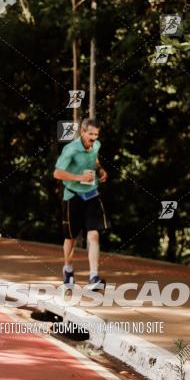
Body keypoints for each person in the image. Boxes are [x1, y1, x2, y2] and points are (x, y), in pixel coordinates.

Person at [54, 117, 108, 291]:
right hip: (73, 196)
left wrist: (100, 170)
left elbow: (95, 160)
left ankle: (93, 276)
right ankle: (68, 269)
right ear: (82, 132)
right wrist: (79, 178)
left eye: (96, 134)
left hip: (91, 195)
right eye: (90, 133)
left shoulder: (96, 145)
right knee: (71, 238)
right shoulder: (70, 149)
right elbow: (57, 173)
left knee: (94, 235)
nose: (93, 137)